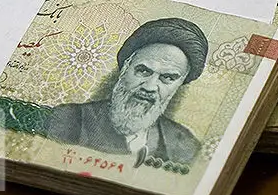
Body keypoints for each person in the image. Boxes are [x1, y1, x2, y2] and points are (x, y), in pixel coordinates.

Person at [45, 17, 207, 163]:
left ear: (179, 84)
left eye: (168, 78)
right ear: (125, 69)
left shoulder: (186, 145)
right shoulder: (68, 119)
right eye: (143, 71)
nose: (149, 87)